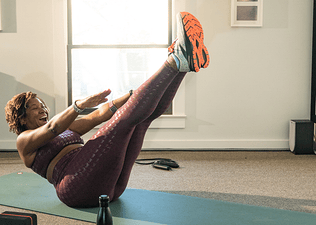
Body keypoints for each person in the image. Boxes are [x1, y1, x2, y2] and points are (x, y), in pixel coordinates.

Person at [5, 12, 210, 208]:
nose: (43, 110)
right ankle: (175, 60)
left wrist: (134, 95)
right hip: (76, 188)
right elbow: (52, 128)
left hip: (110, 187)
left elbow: (98, 115)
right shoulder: (24, 141)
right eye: (35, 108)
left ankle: (183, 66)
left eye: (43, 106)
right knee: (123, 122)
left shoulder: (67, 130)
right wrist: (78, 106)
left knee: (140, 120)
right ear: (21, 117)